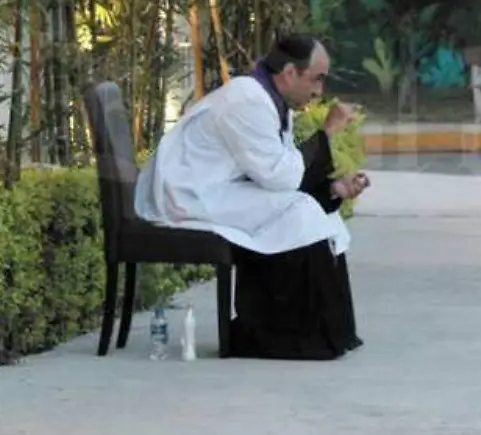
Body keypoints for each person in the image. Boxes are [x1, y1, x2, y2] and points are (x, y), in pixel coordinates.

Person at [134, 33, 369, 360]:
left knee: (309, 211)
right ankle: (274, 336)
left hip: (218, 188)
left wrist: (333, 189)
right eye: (316, 80)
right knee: (298, 212)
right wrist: (326, 132)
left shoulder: (269, 99)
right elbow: (281, 177)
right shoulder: (247, 100)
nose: (319, 91)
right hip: (189, 194)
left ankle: (322, 333)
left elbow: (281, 169)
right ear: (289, 73)